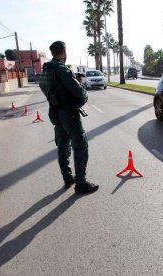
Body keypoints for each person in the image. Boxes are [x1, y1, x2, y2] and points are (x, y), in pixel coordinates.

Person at [40, 41, 98, 194]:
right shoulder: (61, 69)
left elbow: (44, 87)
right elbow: (79, 92)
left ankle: (68, 178)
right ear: (64, 51)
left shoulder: (47, 68)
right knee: (80, 145)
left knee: (63, 146)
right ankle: (81, 183)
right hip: (69, 114)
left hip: (55, 112)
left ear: (52, 52)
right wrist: (83, 91)